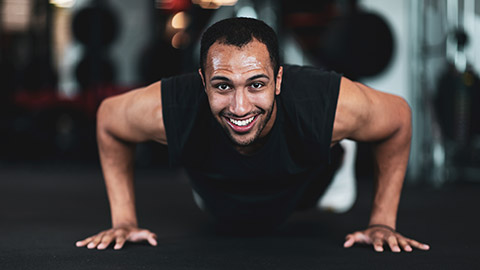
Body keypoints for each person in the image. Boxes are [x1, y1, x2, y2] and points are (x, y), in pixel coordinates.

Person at [76, 17, 430, 253]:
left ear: (278, 80)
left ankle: (338, 153)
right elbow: (109, 118)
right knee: (227, 210)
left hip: (309, 181)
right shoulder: (173, 107)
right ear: (202, 82)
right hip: (220, 190)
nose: (240, 106)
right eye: (222, 86)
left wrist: (382, 221)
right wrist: (123, 220)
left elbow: (398, 116)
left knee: (322, 194)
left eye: (256, 84)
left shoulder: (325, 102)